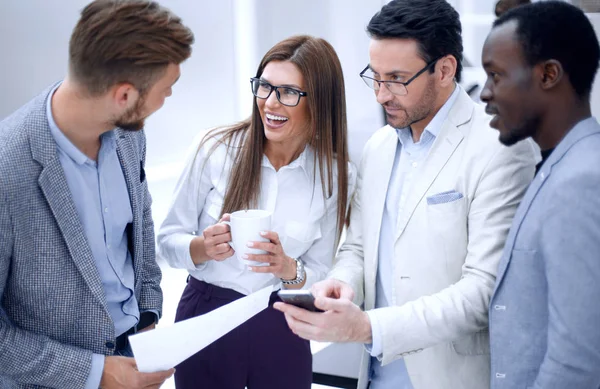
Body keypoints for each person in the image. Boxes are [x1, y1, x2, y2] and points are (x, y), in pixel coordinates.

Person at [274, 1, 538, 388]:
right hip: (377, 375)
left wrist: (367, 326)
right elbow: (359, 248)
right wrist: (343, 284)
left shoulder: (500, 146)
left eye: (396, 79)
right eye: (375, 77)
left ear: (445, 69)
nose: (381, 95)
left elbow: (485, 291)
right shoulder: (379, 147)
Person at [0, 1, 194, 388]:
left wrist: (149, 317)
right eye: (166, 89)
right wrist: (96, 374)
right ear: (124, 95)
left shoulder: (127, 133)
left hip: (134, 356)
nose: (167, 97)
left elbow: (139, 232)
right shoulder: (8, 169)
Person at [157, 35, 355, 389]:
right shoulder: (214, 148)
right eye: (264, 87)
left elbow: (323, 274)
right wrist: (202, 249)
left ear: (320, 102)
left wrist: (287, 268)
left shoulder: (335, 174)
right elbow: (166, 241)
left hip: (282, 323)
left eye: (288, 92)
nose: (269, 102)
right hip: (207, 316)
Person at [479, 2, 600, 388]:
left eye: (496, 76)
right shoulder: (558, 165)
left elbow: (577, 362)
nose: (484, 93)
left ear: (549, 74)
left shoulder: (582, 181)